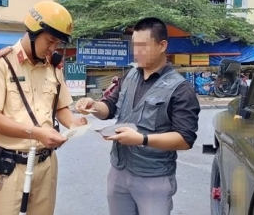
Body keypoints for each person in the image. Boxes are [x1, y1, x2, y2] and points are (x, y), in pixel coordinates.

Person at [75, 17, 200, 215]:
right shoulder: (130, 76)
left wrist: (142, 139)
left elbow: (185, 139)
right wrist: (93, 106)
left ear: (162, 45)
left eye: (143, 45)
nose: (137, 51)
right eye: (135, 45)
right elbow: (109, 106)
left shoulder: (180, 89)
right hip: (119, 171)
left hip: (154, 178)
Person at [0, 0, 87, 215]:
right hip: (9, 164)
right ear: (34, 32)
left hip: (46, 163)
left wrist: (74, 123)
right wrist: (36, 132)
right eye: (50, 41)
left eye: (58, 44)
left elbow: (60, 107)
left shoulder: (54, 68)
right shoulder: (1, 64)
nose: (53, 48)